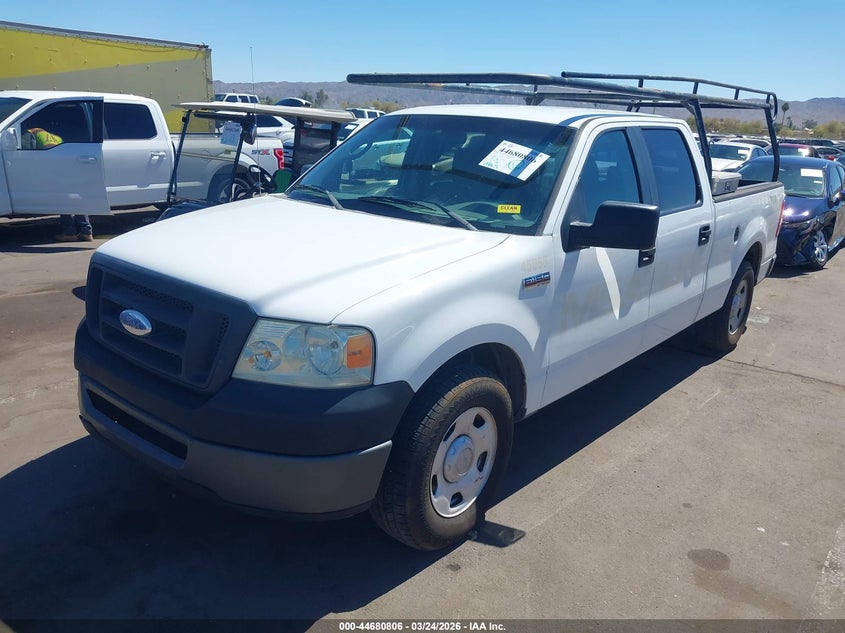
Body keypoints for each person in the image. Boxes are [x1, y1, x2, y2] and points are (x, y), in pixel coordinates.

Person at [24, 126, 95, 242]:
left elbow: (27, 150)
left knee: (64, 200)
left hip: (55, 168)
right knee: (76, 199)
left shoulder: (30, 133)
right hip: (68, 167)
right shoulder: (56, 137)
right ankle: (86, 232)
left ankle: (69, 233)